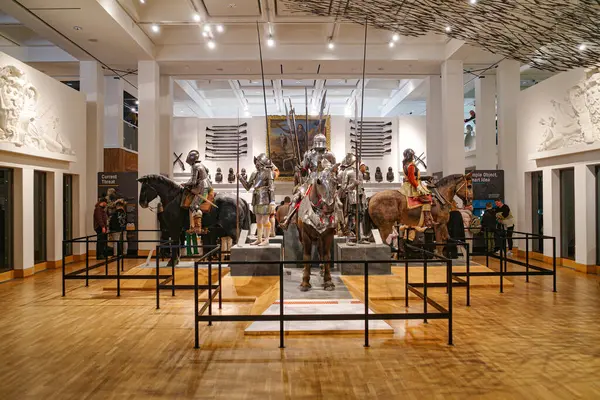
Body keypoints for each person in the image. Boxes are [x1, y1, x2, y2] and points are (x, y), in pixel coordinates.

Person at [239, 153, 276, 246]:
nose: (256, 164)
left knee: (265, 220)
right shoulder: (254, 173)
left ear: (262, 162)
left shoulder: (268, 172)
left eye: (258, 162)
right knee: (258, 220)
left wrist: (272, 201)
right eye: (256, 162)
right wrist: (241, 178)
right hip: (256, 198)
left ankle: (266, 239)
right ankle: (259, 239)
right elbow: (247, 186)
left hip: (265, 198)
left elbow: (271, 188)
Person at [401, 148, 434, 228]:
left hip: (407, 185)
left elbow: (414, 177)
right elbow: (412, 179)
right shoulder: (411, 165)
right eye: (413, 155)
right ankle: (427, 219)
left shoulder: (406, 164)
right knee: (427, 198)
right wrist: (418, 187)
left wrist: (425, 178)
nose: (413, 156)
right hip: (412, 187)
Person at [181, 150, 212, 234]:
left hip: (202, 188)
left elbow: (193, 182)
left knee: (193, 206)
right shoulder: (202, 165)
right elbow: (207, 172)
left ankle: (197, 228)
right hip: (206, 185)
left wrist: (185, 184)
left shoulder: (195, 166)